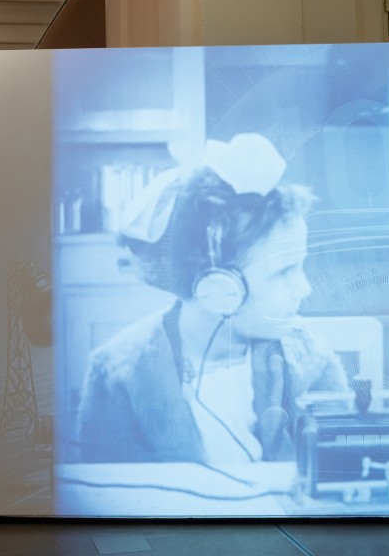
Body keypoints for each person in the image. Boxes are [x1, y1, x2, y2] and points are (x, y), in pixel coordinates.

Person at [75, 134, 349, 464]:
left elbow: (340, 473)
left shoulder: (310, 361)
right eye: (283, 271)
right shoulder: (118, 372)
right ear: (218, 287)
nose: (304, 287)